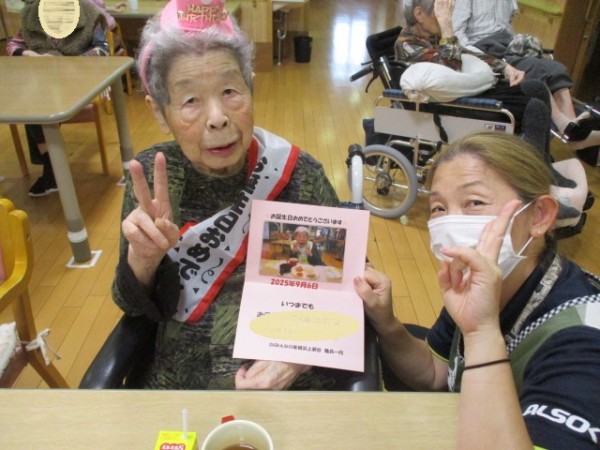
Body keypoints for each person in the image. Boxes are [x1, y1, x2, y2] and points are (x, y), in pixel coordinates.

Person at [112, 0, 345, 390]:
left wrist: (295, 358)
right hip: (179, 388)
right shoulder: (153, 177)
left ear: (251, 88)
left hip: (287, 383)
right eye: (191, 100)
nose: (218, 117)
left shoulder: (297, 175)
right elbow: (130, 305)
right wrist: (144, 261)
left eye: (230, 91)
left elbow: (342, 294)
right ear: (159, 112)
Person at [354, 132, 600, 449]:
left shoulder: (583, 342)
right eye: (438, 208)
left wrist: (481, 333)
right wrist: (386, 322)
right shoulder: (487, 283)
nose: (451, 223)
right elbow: (435, 373)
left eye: (474, 202)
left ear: (539, 216)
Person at [395, 0, 581, 190]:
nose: (447, 17)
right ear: (419, 14)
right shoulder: (407, 44)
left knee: (537, 88)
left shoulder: (432, 36)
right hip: (449, 105)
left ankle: (544, 164)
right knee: (534, 107)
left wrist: (505, 67)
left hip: (465, 92)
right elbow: (452, 65)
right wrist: (447, 28)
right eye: (440, 13)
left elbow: (468, 53)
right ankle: (537, 177)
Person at [452, 0, 600, 151]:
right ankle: (563, 124)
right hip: (483, 48)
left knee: (556, 68)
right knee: (533, 66)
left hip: (507, 45)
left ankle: (574, 130)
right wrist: (477, 55)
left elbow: (508, 24)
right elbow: (457, 33)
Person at [6, 0, 109, 197]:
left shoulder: (89, 14)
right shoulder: (31, 14)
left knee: (38, 101)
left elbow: (102, 49)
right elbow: (13, 45)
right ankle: (52, 166)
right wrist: (30, 54)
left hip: (79, 79)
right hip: (42, 81)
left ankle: (51, 169)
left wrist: (68, 64)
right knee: (34, 99)